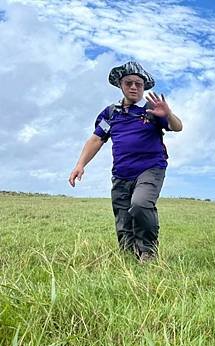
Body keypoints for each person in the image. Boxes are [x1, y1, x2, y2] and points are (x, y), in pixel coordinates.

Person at [68, 61, 183, 263]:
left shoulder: (152, 110)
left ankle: (148, 252)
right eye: (129, 83)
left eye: (138, 84)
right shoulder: (111, 113)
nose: (133, 87)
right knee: (123, 217)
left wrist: (168, 114)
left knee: (140, 204)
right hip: (121, 173)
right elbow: (96, 139)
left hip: (151, 168)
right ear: (120, 85)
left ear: (144, 87)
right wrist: (80, 165)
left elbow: (178, 127)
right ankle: (129, 256)